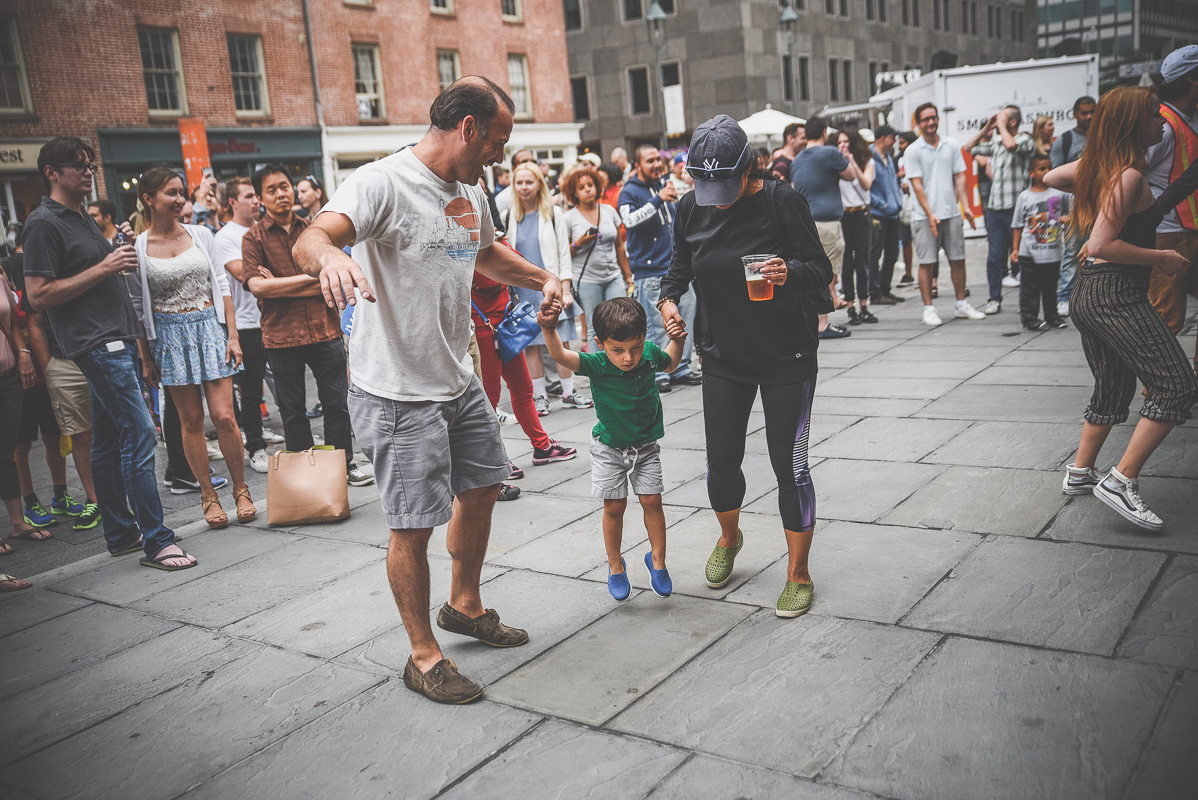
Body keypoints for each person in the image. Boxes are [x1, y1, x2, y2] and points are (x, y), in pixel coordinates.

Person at [294, 76, 566, 705]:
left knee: (484, 486)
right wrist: (331, 258)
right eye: (497, 140)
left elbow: (487, 256)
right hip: (396, 389)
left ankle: (464, 605)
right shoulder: (381, 182)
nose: (502, 154)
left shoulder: (470, 190)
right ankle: (423, 656)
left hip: (456, 376)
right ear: (467, 128)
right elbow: (314, 236)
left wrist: (544, 277)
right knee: (412, 524)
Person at [662, 114, 834, 617]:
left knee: (790, 465)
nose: (716, 193)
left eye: (725, 182)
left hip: (787, 356)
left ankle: (798, 573)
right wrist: (669, 301)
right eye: (706, 182)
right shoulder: (691, 207)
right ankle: (729, 537)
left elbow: (820, 271)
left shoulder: (783, 202)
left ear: (750, 168)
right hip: (722, 355)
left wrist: (789, 272)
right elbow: (679, 269)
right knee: (721, 464)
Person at [23, 138, 193, 569]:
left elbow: (91, 274)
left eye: (89, 165)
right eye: (77, 166)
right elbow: (38, 295)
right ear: (51, 173)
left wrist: (115, 247)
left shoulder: (79, 216)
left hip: (115, 339)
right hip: (98, 344)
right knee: (139, 435)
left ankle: (120, 533)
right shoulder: (43, 222)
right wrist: (105, 265)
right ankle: (157, 541)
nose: (87, 172)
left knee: (107, 441)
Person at [1046, 86, 1198, 530]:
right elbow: (1101, 243)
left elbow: (1055, 177)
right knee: (1176, 385)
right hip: (1113, 293)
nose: (1162, 123)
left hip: (1093, 292)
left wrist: (1096, 194)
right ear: (1133, 124)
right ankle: (1119, 481)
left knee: (1114, 388)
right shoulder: (1127, 175)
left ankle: (1079, 473)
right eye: (1154, 116)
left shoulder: (1114, 170)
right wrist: (1162, 258)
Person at [129, 167, 254, 529]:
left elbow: (223, 284)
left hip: (208, 329)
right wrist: (145, 358)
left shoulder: (201, 234)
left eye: (181, 192)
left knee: (225, 416)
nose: (180, 199)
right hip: (168, 338)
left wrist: (232, 335)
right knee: (191, 421)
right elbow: (137, 308)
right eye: (171, 192)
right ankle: (208, 496)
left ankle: (241, 489)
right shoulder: (139, 247)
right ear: (148, 199)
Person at [541, 296, 681, 600]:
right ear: (600, 343)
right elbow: (561, 356)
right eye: (618, 350)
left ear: (644, 338)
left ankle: (658, 561)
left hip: (646, 446)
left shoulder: (649, 355)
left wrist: (677, 339)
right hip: (608, 448)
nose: (628, 358)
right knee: (614, 506)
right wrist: (550, 329)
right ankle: (615, 564)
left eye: (635, 348)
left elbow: (671, 362)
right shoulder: (597, 363)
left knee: (652, 501)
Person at [243, 164, 373, 487]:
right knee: (292, 410)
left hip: (323, 329)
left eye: (285, 186)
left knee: (337, 404)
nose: (281, 194)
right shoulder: (253, 238)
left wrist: (281, 284)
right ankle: (308, 478)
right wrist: (314, 278)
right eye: (271, 189)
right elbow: (257, 287)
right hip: (281, 335)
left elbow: (339, 272)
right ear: (260, 197)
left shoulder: (316, 229)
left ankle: (342, 467)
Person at [503, 162, 592, 414]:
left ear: (539, 185)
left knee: (561, 342)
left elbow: (565, 254)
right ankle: (539, 396)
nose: (524, 187)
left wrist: (565, 290)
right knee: (531, 345)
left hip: (551, 289)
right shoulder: (512, 216)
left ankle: (568, 391)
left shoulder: (553, 214)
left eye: (529, 182)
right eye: (519, 182)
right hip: (524, 291)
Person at [470, 270, 576, 476]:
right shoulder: (474, 245)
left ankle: (542, 446)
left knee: (523, 388)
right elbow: (492, 277)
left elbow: (513, 262)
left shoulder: (495, 241)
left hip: (506, 323)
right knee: (488, 399)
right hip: (483, 327)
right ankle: (495, 460)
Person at [214, 177, 282, 475]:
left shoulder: (262, 229)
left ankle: (276, 436)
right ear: (233, 202)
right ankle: (255, 447)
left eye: (257, 196)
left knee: (284, 384)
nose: (256, 201)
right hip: (247, 323)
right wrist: (267, 272)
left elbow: (279, 268)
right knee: (250, 389)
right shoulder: (227, 237)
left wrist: (273, 274)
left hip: (275, 318)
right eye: (249, 196)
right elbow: (244, 273)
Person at [619, 145, 702, 390]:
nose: (657, 164)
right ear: (637, 166)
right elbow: (629, 221)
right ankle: (659, 371)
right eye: (650, 161)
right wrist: (657, 200)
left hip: (676, 269)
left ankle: (682, 366)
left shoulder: (664, 185)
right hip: (650, 270)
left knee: (685, 318)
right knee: (656, 324)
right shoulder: (630, 191)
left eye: (659, 159)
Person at [905, 103, 987, 326]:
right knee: (927, 262)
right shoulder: (912, 150)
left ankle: (961, 304)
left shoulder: (952, 145)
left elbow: (960, 177)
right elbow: (917, 185)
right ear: (918, 123)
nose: (930, 122)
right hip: (924, 217)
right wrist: (930, 213)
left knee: (958, 259)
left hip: (951, 213)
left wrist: (966, 206)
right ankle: (928, 309)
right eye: (925, 119)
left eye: (933, 118)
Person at [789, 115, 860, 338]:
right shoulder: (830, 153)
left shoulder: (797, 159)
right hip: (827, 223)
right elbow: (850, 176)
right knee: (825, 272)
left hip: (805, 223)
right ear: (823, 133)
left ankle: (817, 320)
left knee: (814, 271)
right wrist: (846, 159)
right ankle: (823, 324)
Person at [1145, 45, 1198, 338]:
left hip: (1192, 232)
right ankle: (1157, 386)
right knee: (1168, 321)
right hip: (1167, 236)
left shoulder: (1192, 116)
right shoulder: (1161, 125)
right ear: (1193, 78)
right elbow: (1126, 175)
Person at [2, 267, 55, 548]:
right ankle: (24, 508)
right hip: (12, 377)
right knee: (15, 449)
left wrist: (27, 356)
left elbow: (14, 325)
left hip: (24, 375)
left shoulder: (6, 282)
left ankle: (23, 520)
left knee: (48, 439)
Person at [965, 105, 1035, 313]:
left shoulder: (1024, 140)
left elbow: (1012, 145)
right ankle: (994, 298)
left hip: (1016, 209)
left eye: (1002, 118)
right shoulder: (997, 144)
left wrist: (1002, 127)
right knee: (994, 256)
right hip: (995, 209)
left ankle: (1028, 302)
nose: (997, 122)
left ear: (1012, 122)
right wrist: (986, 128)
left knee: (1022, 256)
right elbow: (968, 147)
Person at [562, 163, 634, 333]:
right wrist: (578, 243)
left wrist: (628, 276)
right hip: (588, 281)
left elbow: (619, 246)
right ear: (574, 193)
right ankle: (598, 360)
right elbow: (564, 254)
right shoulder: (569, 218)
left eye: (590, 185)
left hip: (614, 277)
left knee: (622, 321)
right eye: (582, 187)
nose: (588, 190)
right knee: (597, 327)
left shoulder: (609, 211)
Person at [1010, 154, 1069, 331]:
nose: (1047, 172)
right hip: (1029, 251)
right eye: (1042, 169)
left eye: (1049, 167)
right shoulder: (1024, 197)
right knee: (1030, 287)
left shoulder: (1060, 193)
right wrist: (1014, 249)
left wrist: (1067, 219)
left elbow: (1070, 214)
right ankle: (1029, 318)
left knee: (1051, 285)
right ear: (1031, 173)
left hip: (1052, 249)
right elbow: (1017, 225)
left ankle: (1052, 316)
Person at [1052, 96, 1096, 317]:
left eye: (1091, 112)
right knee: (1071, 251)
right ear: (1075, 114)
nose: (1088, 116)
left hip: (1098, 203)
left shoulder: (1100, 137)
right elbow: (1055, 175)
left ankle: (1091, 295)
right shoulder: (1065, 140)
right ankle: (1065, 297)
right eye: (1084, 112)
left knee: (1096, 250)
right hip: (1073, 205)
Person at [837, 129, 877, 324]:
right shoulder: (835, 164)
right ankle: (850, 307)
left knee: (863, 260)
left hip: (861, 213)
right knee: (846, 263)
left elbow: (866, 183)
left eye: (846, 142)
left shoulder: (866, 160)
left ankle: (864, 305)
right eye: (839, 142)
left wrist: (851, 161)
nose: (842, 145)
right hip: (843, 216)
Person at [868, 125, 905, 305]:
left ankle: (885, 289)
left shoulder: (888, 157)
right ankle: (874, 292)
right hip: (878, 214)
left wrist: (896, 201)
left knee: (892, 253)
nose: (894, 143)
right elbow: (865, 188)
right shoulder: (869, 158)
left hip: (893, 213)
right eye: (892, 138)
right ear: (882, 138)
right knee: (875, 253)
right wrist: (882, 204)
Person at [895, 131, 918, 286]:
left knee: (922, 241)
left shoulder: (918, 157)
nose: (899, 146)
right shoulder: (896, 159)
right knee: (906, 240)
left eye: (902, 142)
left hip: (918, 204)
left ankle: (929, 276)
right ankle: (908, 273)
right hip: (902, 206)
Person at [495, 149, 535, 218]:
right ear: (513, 168)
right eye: (524, 162)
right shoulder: (502, 199)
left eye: (533, 162)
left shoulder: (545, 195)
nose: (529, 165)